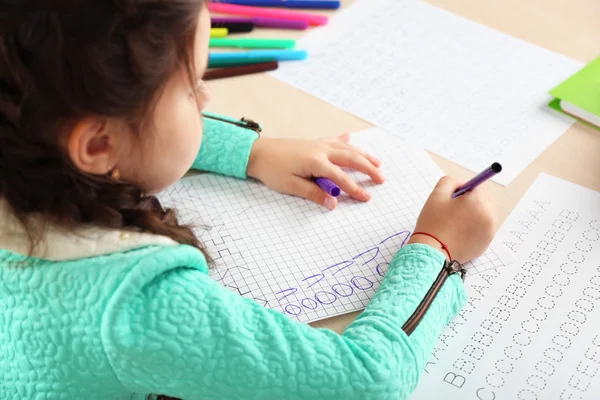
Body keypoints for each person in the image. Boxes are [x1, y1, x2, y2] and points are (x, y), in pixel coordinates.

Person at [0, 1, 497, 399]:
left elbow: (116, 128)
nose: (209, 101)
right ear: (98, 146)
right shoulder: (136, 306)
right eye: (193, 88)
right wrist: (437, 250)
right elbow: (366, 381)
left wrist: (253, 150)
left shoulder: (19, 135)